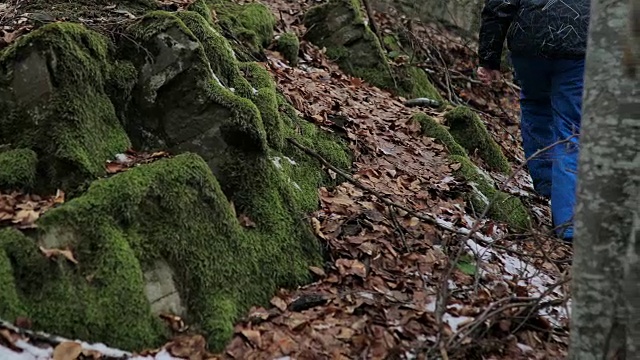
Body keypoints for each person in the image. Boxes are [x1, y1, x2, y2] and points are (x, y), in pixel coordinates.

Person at [475, 0, 590, 242]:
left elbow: (499, 5)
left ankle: (547, 185)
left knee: (536, 107)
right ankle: (567, 221)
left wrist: (488, 58)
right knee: (570, 128)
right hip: (579, 45)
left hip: (531, 42)